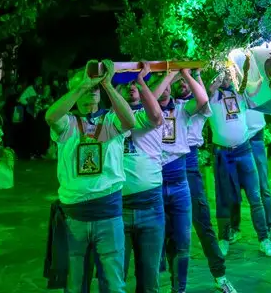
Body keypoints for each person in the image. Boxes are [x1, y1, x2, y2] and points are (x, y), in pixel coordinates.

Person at [43, 60, 138, 293]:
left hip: (108, 212)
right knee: (75, 285)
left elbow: (131, 121)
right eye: (85, 90)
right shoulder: (68, 123)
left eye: (93, 90)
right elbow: (50, 117)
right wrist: (82, 85)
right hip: (74, 216)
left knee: (114, 284)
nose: (89, 94)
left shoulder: (109, 120)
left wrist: (107, 84)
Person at [151, 68, 213, 293]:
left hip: (179, 179)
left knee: (183, 240)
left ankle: (180, 289)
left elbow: (203, 99)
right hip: (156, 180)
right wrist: (168, 76)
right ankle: (156, 286)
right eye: (162, 86)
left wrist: (186, 73)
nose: (166, 90)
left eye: (169, 86)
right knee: (158, 240)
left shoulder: (181, 109)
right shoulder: (147, 114)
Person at [207, 70, 271, 258]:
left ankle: (264, 239)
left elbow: (257, 88)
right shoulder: (212, 95)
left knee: (255, 197)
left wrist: (239, 71)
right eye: (223, 75)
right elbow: (204, 95)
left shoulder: (240, 93)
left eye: (229, 75)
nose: (227, 78)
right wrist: (217, 80)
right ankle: (224, 238)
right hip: (223, 153)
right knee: (224, 198)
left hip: (244, 150)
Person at [179, 77, 239, 293]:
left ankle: (220, 276)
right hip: (165, 165)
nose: (182, 84)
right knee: (171, 231)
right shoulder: (164, 106)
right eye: (178, 80)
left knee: (202, 223)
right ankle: (178, 286)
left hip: (189, 162)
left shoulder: (199, 105)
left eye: (186, 82)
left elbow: (206, 93)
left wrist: (194, 75)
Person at [112, 63, 165, 293]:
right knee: (115, 277)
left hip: (150, 205)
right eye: (125, 86)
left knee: (149, 280)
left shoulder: (145, 116)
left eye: (134, 85)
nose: (131, 88)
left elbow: (156, 115)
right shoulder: (109, 121)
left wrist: (141, 80)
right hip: (117, 207)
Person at [229, 108, 271, 246]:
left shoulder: (255, 86)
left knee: (263, 187)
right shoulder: (229, 89)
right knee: (234, 187)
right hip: (236, 140)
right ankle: (234, 228)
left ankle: (270, 228)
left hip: (255, 136)